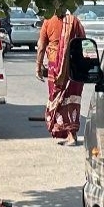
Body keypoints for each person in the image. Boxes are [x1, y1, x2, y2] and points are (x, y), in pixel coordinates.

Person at [37, 8, 85, 144]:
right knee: (71, 99)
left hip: (55, 67)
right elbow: (84, 42)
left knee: (58, 99)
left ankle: (66, 133)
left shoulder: (48, 21)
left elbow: (41, 46)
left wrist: (38, 67)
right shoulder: (74, 21)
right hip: (73, 67)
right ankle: (71, 134)